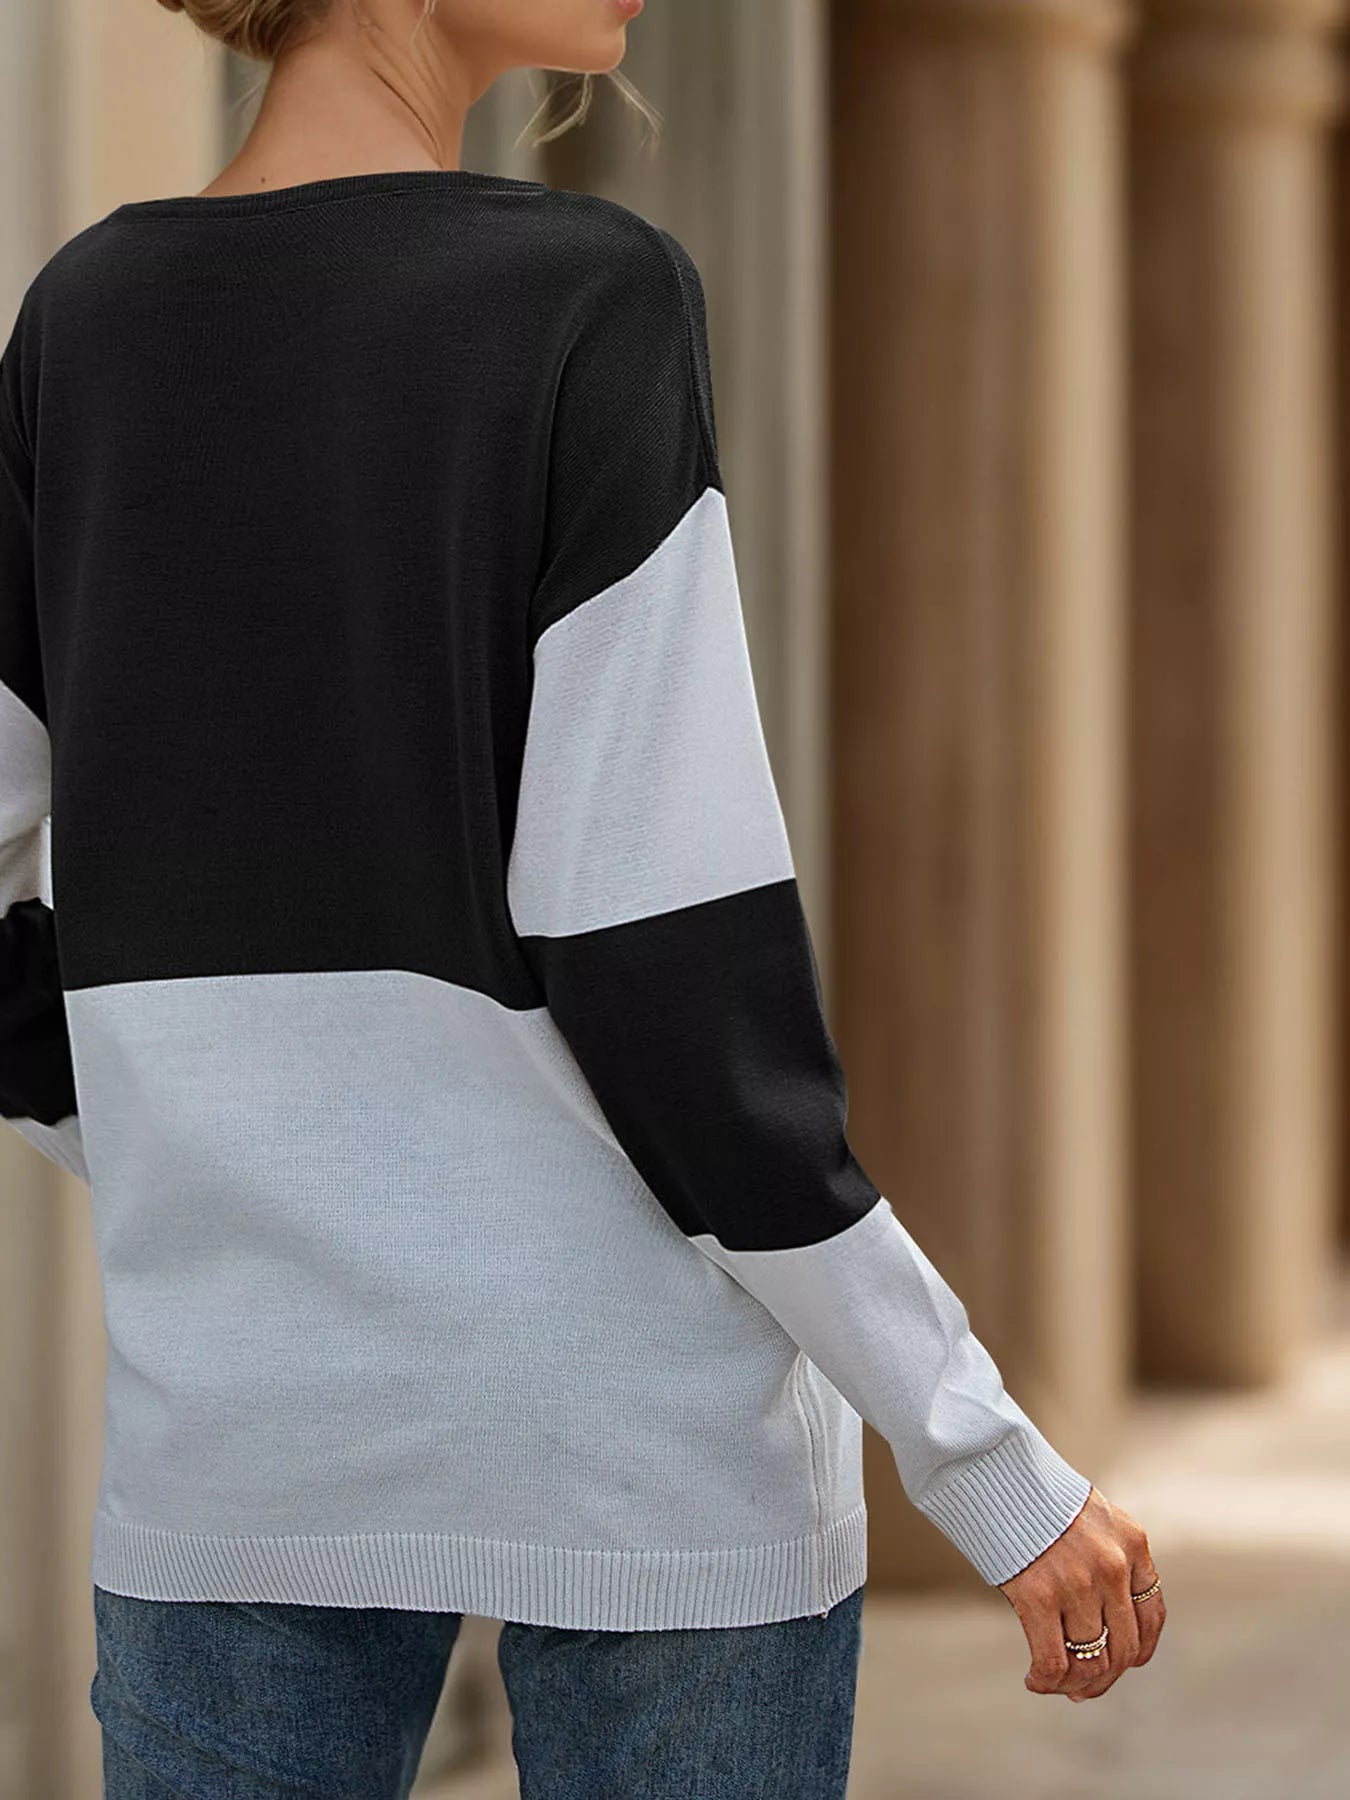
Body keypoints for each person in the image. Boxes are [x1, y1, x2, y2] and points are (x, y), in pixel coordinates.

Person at [0, 0, 1166, 1794]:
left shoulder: (85, 321)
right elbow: (672, 964)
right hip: (643, 1439)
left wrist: (210, 1135)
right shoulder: (583, 297)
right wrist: (978, 1454)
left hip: (240, 1430)